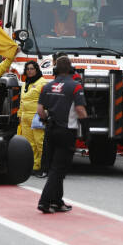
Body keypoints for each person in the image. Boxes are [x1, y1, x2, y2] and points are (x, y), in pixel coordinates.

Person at [37, 55, 87, 213]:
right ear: (71, 69)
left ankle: (57, 201)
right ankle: (45, 202)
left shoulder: (47, 86)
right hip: (67, 131)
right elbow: (80, 110)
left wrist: (46, 120)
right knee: (58, 169)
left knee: (55, 168)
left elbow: (40, 110)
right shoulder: (75, 86)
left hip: (51, 129)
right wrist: (86, 127)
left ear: (56, 70)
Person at [19, 60, 47, 177]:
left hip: (36, 116)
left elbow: (46, 100)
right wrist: (20, 115)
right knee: (29, 144)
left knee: (40, 143)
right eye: (28, 69)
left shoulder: (43, 82)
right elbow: (22, 101)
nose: (29, 71)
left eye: (32, 69)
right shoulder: (25, 83)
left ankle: (44, 167)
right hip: (25, 116)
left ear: (36, 70)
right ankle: (33, 166)